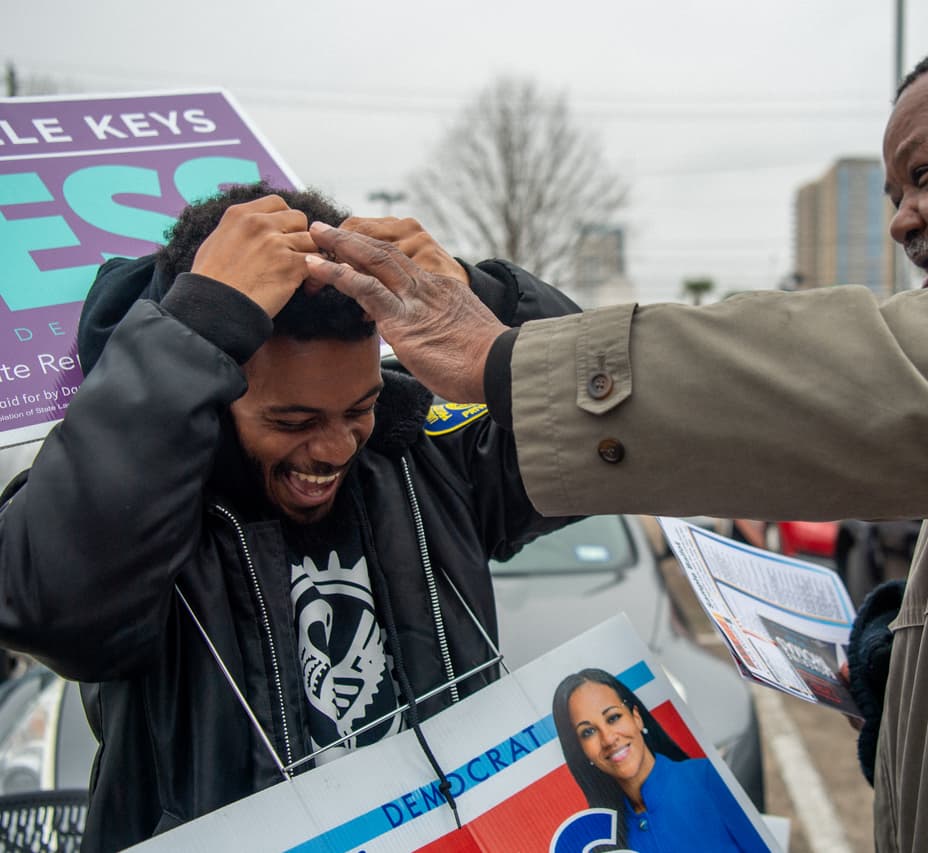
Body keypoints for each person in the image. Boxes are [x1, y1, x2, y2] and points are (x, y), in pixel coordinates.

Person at [305, 16, 928, 852]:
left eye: (923, 176)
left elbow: (911, 374)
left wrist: (519, 362)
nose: (902, 222)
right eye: (894, 193)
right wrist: (915, 664)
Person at [0, 182, 580, 850]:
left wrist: (488, 303)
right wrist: (195, 324)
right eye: (292, 421)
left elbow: (593, 437)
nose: (335, 447)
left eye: (359, 406)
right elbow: (49, 607)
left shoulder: (422, 458)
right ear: (211, 392)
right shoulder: (140, 505)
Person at [551, 668, 768, 852]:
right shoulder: (603, 837)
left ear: (636, 717)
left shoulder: (707, 778)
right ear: (581, 751)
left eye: (613, 718)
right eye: (588, 732)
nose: (608, 739)